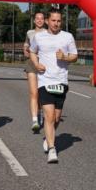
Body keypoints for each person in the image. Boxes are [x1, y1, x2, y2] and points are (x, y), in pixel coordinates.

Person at [29, 9, 77, 164]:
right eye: (53, 20)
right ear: (48, 21)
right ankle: (52, 149)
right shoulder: (39, 37)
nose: (56, 23)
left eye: (59, 21)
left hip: (61, 81)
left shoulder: (67, 37)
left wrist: (65, 57)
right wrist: (36, 64)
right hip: (45, 81)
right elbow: (32, 51)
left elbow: (75, 56)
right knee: (49, 116)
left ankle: (48, 138)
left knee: (56, 118)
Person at [22, 11, 46, 132]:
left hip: (44, 64)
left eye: (41, 18)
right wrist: (26, 50)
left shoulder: (48, 33)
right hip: (31, 64)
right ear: (34, 20)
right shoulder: (29, 33)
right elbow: (26, 45)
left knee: (41, 94)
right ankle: (35, 120)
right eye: (37, 18)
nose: (39, 20)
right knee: (33, 93)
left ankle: (40, 111)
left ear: (44, 20)